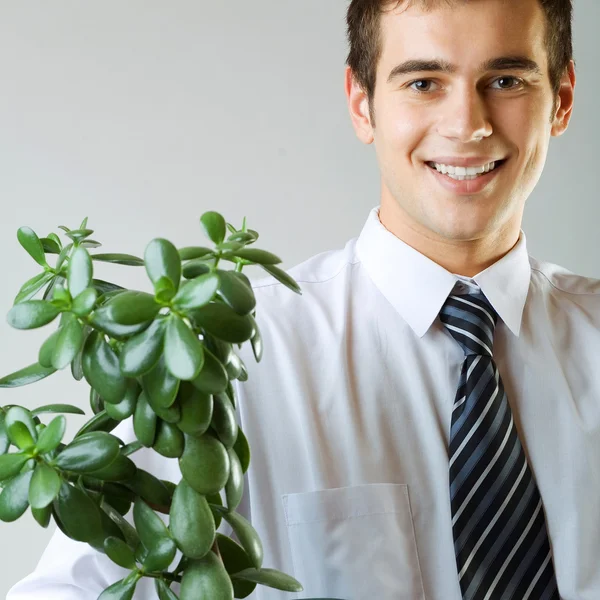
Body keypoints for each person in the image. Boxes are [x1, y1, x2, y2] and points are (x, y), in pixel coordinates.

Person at [8, 0, 597, 598]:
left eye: (505, 81)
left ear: (562, 97)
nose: (468, 123)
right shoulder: (225, 358)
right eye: (423, 83)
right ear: (361, 102)